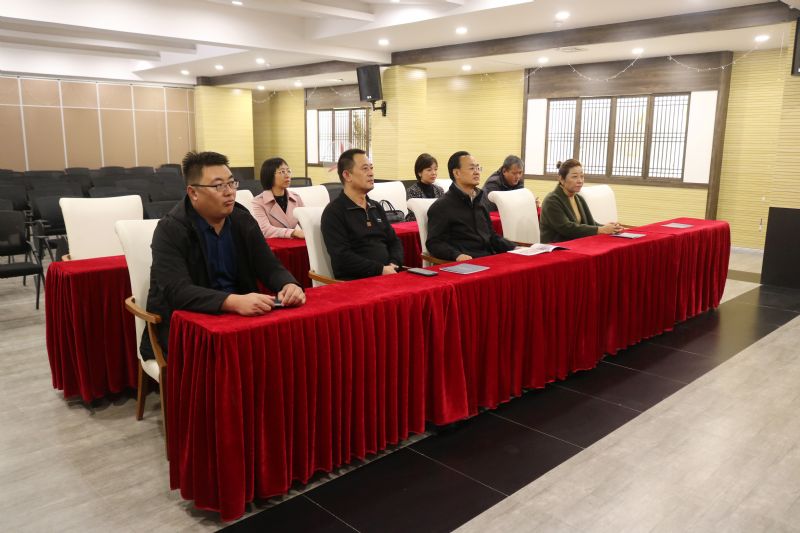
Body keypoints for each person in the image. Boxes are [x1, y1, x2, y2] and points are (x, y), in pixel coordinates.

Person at [141, 151, 305, 359]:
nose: (229, 192)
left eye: (231, 183)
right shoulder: (170, 229)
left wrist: (288, 284)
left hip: (241, 319)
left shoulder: (242, 220)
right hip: (189, 326)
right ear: (193, 193)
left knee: (292, 346)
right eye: (219, 186)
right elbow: (178, 291)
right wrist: (232, 302)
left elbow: (269, 265)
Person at [321, 148, 404, 280]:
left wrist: (394, 263)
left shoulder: (376, 207)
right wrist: (380, 270)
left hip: (389, 274)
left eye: (371, 168)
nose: (371, 173)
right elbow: (342, 257)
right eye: (365, 169)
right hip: (357, 282)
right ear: (347, 175)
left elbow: (394, 241)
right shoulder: (334, 212)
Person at [426, 150, 516, 262]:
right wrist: (456, 255)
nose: (477, 172)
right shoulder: (441, 207)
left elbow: (491, 236)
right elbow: (434, 243)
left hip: (489, 258)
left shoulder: (480, 200)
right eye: (472, 168)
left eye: (478, 168)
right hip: (468, 263)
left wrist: (515, 248)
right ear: (457, 173)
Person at [539, 159, 622, 243]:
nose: (580, 181)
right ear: (561, 179)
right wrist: (601, 230)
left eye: (582, 176)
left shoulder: (579, 198)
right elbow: (567, 228)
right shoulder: (551, 200)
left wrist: (609, 227)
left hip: (577, 244)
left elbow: (590, 223)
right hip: (556, 246)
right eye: (575, 177)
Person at [251, 157, 305, 239]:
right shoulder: (258, 202)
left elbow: (306, 222)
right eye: (282, 172)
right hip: (272, 245)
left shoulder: (296, 198)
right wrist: (294, 232)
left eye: (288, 171)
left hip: (294, 244)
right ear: (269, 175)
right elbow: (265, 230)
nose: (287, 175)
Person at [405, 153, 444, 221]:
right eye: (429, 170)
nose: (434, 173)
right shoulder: (412, 191)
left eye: (435, 169)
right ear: (419, 173)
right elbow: (414, 216)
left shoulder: (439, 190)